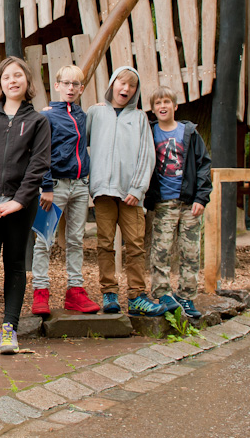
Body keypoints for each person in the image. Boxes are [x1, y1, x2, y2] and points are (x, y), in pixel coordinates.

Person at [0, 57, 51, 355]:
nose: (12, 81)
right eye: (6, 77)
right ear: (0, 84)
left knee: (16, 264)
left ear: (27, 82)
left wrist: (19, 201)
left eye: (18, 76)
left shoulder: (39, 122)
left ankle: (10, 328)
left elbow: (39, 164)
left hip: (20, 205)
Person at [86, 66, 163, 317]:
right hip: (103, 193)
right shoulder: (95, 113)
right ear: (112, 83)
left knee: (135, 245)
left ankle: (137, 295)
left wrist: (138, 188)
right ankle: (109, 293)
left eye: (131, 86)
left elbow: (146, 155)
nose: (126, 89)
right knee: (105, 244)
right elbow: (77, 141)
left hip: (130, 194)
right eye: (122, 83)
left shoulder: (139, 118)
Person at [32, 65, 99, 315]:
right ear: (57, 85)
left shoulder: (83, 116)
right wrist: (46, 186)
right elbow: (41, 154)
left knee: (75, 240)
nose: (71, 88)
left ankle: (75, 292)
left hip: (80, 185)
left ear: (81, 89)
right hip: (55, 186)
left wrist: (100, 108)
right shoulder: (47, 116)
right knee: (44, 238)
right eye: (66, 83)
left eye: (76, 85)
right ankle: (40, 291)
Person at [143, 86, 212, 320]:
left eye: (166, 102)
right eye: (157, 103)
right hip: (164, 202)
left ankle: (186, 295)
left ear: (175, 105)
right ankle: (162, 292)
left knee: (190, 252)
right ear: (152, 109)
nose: (162, 106)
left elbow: (203, 165)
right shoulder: (149, 132)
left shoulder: (189, 132)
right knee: (160, 250)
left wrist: (202, 197)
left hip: (189, 203)